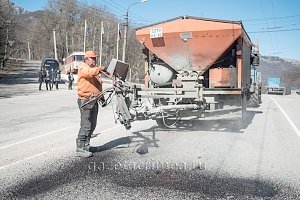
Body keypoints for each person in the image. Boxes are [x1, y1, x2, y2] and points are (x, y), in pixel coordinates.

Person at [76, 50, 105, 157]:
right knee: (86, 125)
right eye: (92, 58)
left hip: (93, 100)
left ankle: (86, 146)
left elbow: (98, 86)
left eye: (95, 58)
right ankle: (80, 148)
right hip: (85, 100)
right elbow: (88, 73)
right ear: (86, 59)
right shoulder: (83, 67)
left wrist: (102, 98)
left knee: (92, 124)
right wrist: (100, 68)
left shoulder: (93, 70)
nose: (94, 60)